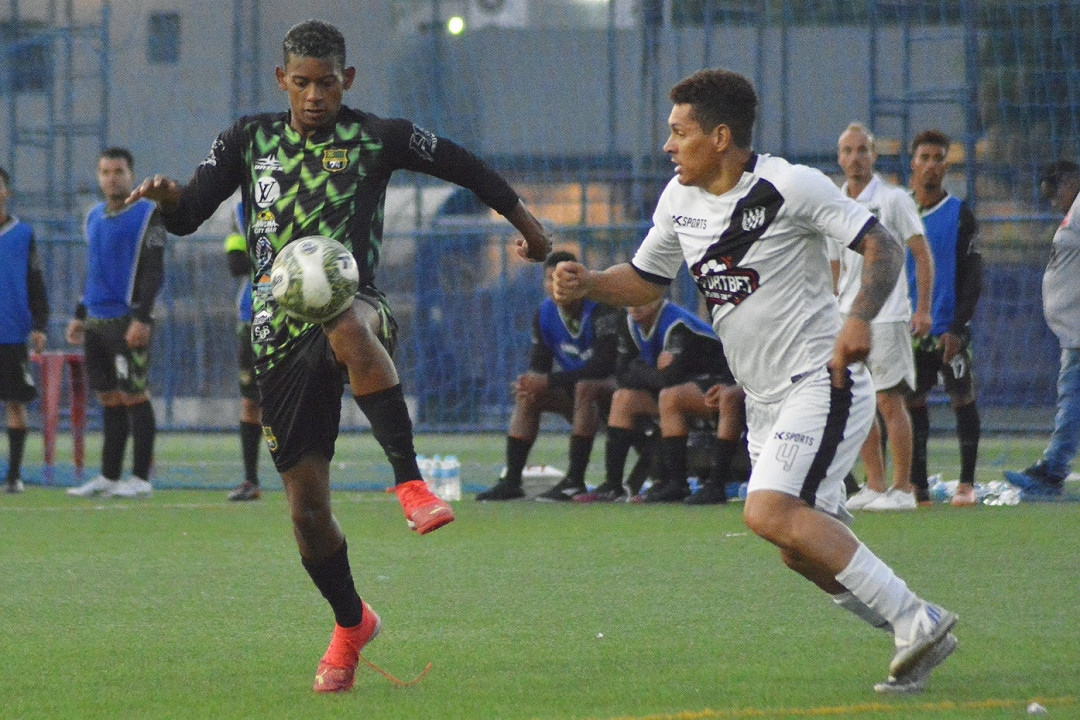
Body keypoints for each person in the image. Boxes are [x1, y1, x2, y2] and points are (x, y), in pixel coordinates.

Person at [127, 20, 550, 693]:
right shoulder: (247, 139)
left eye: (327, 83)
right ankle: (352, 622)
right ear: (282, 81)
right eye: (303, 83)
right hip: (276, 334)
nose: (315, 95)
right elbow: (188, 214)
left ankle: (409, 482)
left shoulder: (377, 137)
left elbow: (464, 165)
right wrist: (168, 198)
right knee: (306, 513)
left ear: (347, 80)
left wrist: (530, 226)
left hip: (360, 302)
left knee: (346, 319)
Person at [552, 69, 957, 695]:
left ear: (719, 137)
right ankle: (919, 626)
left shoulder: (791, 185)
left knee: (767, 509)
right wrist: (589, 285)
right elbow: (645, 279)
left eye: (678, 133)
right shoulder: (679, 200)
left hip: (819, 379)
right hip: (765, 401)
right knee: (797, 548)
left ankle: (914, 618)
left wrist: (857, 318)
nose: (668, 145)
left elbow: (884, 248)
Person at [832, 123, 934, 512]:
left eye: (862, 150)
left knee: (889, 402)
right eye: (847, 150)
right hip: (846, 315)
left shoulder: (893, 200)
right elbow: (834, 265)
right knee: (856, 403)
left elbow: (921, 254)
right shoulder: (834, 203)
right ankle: (874, 485)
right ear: (839, 157)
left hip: (888, 315)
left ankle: (903, 489)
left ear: (873, 155)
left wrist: (922, 308)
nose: (855, 157)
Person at [476, 250, 621, 502]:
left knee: (586, 387)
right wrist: (529, 382)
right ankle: (511, 482)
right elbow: (540, 366)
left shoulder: (602, 308)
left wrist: (548, 381)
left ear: (578, 281)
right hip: (578, 392)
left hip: (616, 391)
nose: (555, 286)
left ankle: (574, 481)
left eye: (562, 279)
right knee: (529, 395)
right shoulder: (544, 313)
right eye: (549, 279)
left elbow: (603, 365)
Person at [66, 148, 164, 500]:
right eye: (105, 171)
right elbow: (93, 268)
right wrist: (80, 314)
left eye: (118, 171)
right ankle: (109, 476)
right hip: (96, 321)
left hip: (128, 321)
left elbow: (154, 270)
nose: (111, 178)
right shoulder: (92, 216)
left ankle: (140, 478)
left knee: (134, 394)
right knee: (108, 398)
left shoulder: (148, 214)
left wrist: (142, 317)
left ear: (131, 174)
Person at [576, 295, 737, 504]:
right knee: (623, 398)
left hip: (717, 381)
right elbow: (623, 374)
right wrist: (644, 369)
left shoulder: (677, 325)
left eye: (641, 296)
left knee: (670, 397)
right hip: (677, 385)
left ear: (658, 295)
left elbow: (670, 378)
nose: (634, 305)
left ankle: (678, 484)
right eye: (630, 296)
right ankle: (613, 485)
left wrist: (638, 367)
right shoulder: (628, 321)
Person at [907, 130, 984, 507]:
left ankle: (966, 484)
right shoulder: (898, 211)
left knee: (962, 400)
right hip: (909, 332)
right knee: (911, 402)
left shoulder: (959, 214)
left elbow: (973, 276)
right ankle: (917, 486)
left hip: (948, 331)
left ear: (946, 165)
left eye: (938, 158)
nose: (931, 165)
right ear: (913, 162)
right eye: (925, 157)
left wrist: (957, 326)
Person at [1004, 160, 1080, 500]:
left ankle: (1051, 471)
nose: (1053, 203)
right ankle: (1052, 469)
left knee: (1071, 401)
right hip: (1073, 333)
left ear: (1068, 181)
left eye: (1054, 195)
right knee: (1071, 400)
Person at [0, 167, 49, 493]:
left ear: (6, 192)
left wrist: (40, 324)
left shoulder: (22, 234)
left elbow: (34, 281)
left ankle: (14, 476)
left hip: (12, 332)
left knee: (15, 403)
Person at [223, 199, 262, 501]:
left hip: (297, 316)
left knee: (303, 401)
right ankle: (251, 481)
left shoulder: (301, 199)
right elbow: (236, 263)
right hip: (252, 318)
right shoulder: (239, 212)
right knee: (251, 402)